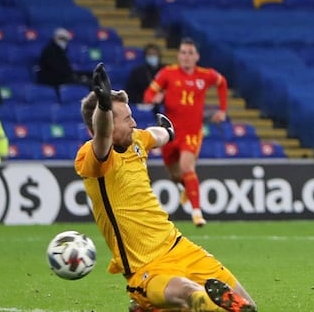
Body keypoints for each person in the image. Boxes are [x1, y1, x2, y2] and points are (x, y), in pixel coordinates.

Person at [77, 64, 256, 312]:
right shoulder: (93, 159)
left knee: (248, 305)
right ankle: (163, 303)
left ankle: (153, 308)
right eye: (127, 118)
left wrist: (168, 131)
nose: (133, 122)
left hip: (178, 245)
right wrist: (105, 107)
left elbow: (154, 134)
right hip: (146, 267)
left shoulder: (136, 139)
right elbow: (103, 135)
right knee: (191, 295)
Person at [143, 38, 229, 227]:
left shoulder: (205, 75)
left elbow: (222, 82)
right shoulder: (168, 73)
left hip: (192, 132)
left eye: (190, 53)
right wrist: (153, 98)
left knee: (186, 166)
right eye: (183, 52)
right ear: (178, 55)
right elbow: (149, 93)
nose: (187, 56)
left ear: (197, 56)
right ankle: (186, 187)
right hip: (170, 132)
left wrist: (222, 110)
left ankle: (197, 213)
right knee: (175, 175)